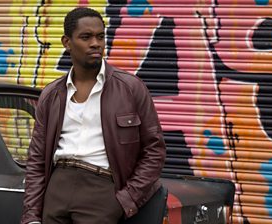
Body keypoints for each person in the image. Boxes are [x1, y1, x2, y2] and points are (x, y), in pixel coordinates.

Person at [21, 7, 166, 224]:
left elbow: (154, 150)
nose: (96, 43)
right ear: (67, 42)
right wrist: (32, 215)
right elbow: (37, 159)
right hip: (57, 188)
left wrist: (126, 199)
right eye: (86, 37)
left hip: (102, 190)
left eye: (100, 36)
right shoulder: (52, 95)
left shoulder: (130, 88)